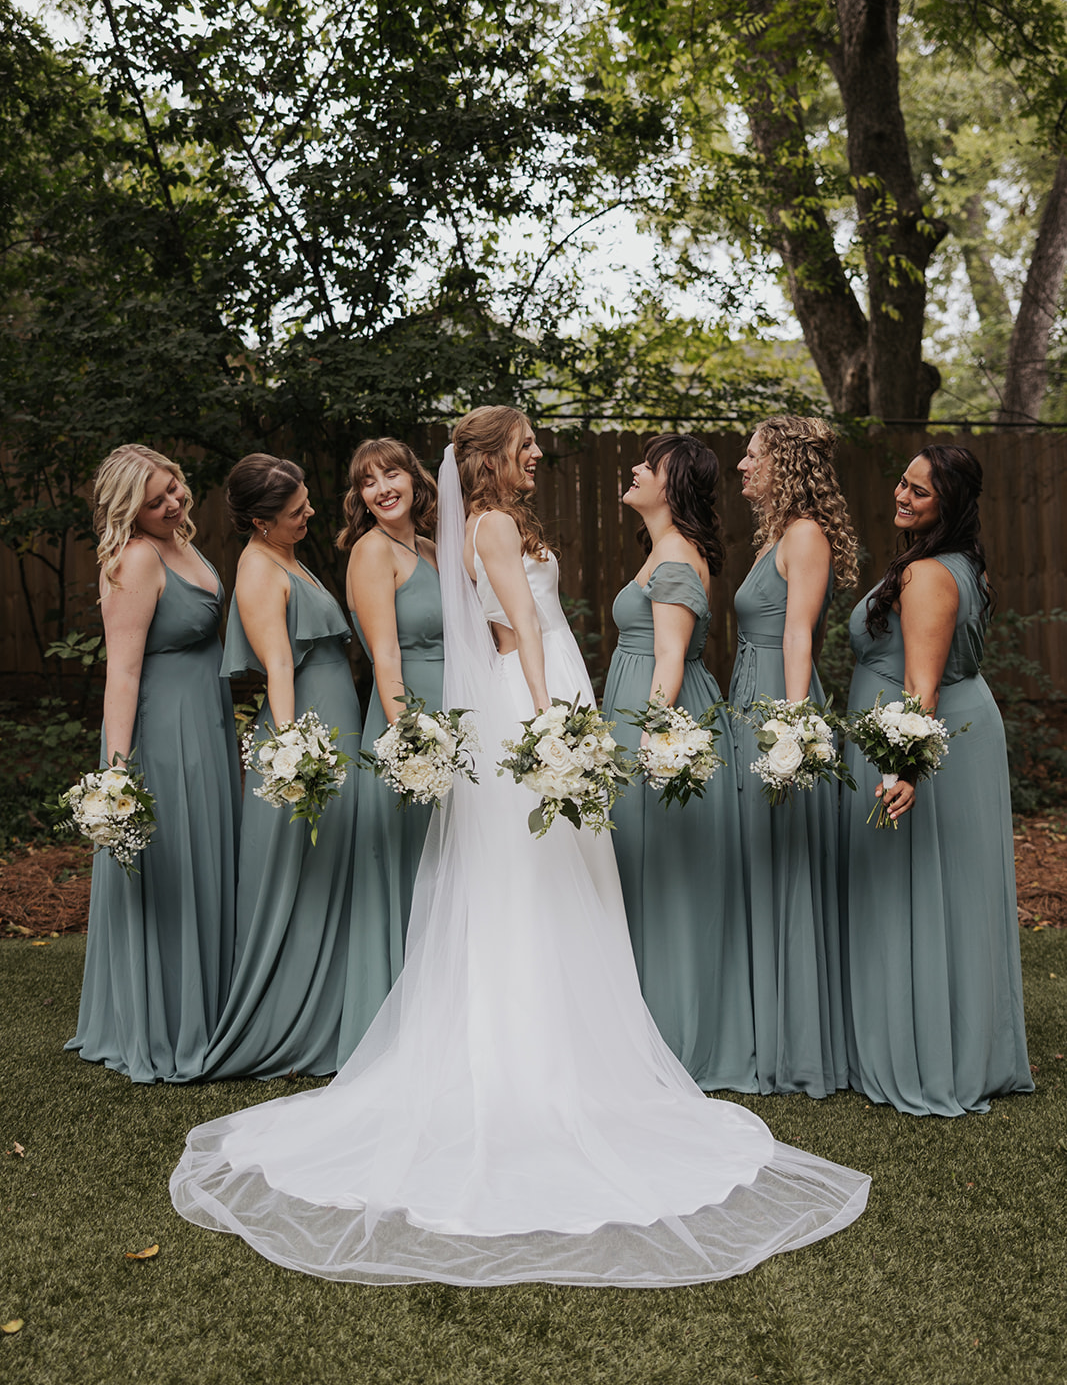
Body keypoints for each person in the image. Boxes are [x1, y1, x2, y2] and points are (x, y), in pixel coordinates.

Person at [170, 408, 869, 1286]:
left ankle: (558, 1039)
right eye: (526, 444)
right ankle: (533, 1051)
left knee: (545, 872)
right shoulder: (491, 525)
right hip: (533, 696)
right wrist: (549, 723)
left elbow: (506, 624)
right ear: (495, 459)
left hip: (536, 688)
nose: (539, 453)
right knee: (534, 875)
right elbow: (520, 631)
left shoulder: (488, 527)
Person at [840, 444, 1032, 1116]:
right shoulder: (963, 565)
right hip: (966, 728)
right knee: (952, 891)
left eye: (918, 492)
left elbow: (920, 688)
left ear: (945, 505)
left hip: (929, 739)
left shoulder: (926, 575)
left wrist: (904, 767)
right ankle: (962, 1043)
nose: (901, 495)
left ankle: (928, 1054)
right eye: (901, 482)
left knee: (921, 891)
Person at [66, 444, 240, 1083]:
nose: (173, 503)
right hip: (163, 734)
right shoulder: (137, 558)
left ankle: (210, 1005)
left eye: (175, 490)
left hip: (208, 721)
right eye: (156, 500)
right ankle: (165, 1022)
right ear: (128, 511)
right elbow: (123, 672)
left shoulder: (181, 544)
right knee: (172, 866)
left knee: (203, 861)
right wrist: (115, 777)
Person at [199, 454, 361, 1080]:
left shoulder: (286, 556)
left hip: (334, 721)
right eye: (297, 511)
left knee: (333, 868)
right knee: (302, 871)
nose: (311, 513)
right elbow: (280, 669)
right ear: (263, 521)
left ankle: (336, 1007)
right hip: (309, 729)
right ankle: (287, 1021)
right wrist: (295, 753)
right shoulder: (259, 571)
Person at [602, 433, 755, 1091]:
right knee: (643, 876)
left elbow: (668, 657)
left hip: (659, 717)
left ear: (672, 485)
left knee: (665, 879)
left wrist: (652, 737)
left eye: (648, 463)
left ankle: (677, 1036)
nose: (635, 468)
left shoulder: (674, 554)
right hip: (642, 706)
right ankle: (639, 1029)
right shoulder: (661, 548)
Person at [729, 416, 858, 1097]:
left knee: (788, 866)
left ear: (782, 463)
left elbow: (799, 637)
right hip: (754, 696)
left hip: (779, 702)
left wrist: (790, 729)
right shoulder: (775, 535)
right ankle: (764, 1027)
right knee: (764, 862)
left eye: (752, 456)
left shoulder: (804, 534)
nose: (741, 466)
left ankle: (799, 1045)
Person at [335, 438, 443, 1061]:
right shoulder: (372, 552)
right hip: (408, 718)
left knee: (447, 865)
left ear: (413, 478)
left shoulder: (427, 547)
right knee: (408, 864)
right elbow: (386, 657)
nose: (382, 487)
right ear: (361, 497)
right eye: (369, 481)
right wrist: (409, 743)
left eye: (392, 472)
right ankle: (397, 1034)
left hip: (453, 715)